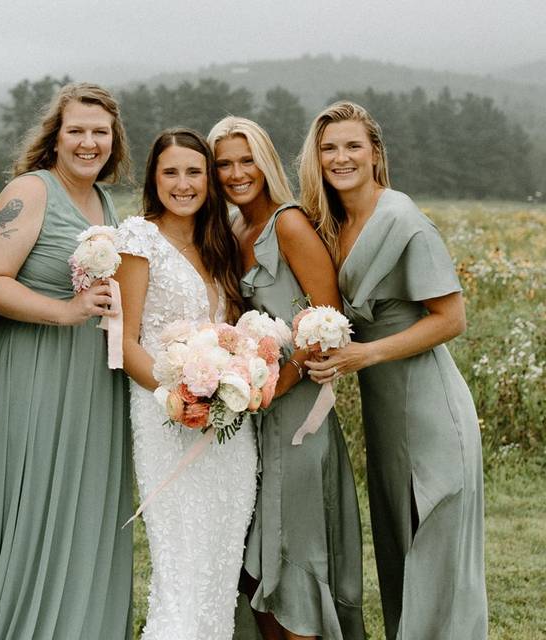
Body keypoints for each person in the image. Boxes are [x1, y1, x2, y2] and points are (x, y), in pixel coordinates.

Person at [300, 101, 488, 640]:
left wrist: (366, 355)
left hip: (429, 408)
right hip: (386, 418)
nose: (341, 157)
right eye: (329, 148)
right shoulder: (332, 223)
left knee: (435, 556)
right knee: (400, 553)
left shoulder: (403, 220)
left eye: (353, 146)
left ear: (376, 153)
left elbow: (451, 318)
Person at [0, 83, 133, 640]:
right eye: (76, 130)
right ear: (55, 137)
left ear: (113, 140)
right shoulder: (31, 191)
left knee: (81, 511)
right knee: (30, 507)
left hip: (92, 376)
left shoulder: (103, 202)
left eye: (99, 132)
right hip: (33, 368)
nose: (88, 142)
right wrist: (63, 310)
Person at [208, 116, 365, 640]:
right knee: (255, 557)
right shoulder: (232, 231)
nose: (235, 173)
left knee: (292, 549)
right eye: (224, 163)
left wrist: (276, 384)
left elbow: (328, 323)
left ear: (266, 161)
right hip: (251, 413)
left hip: (296, 412)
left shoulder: (289, 223)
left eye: (245, 159)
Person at [113, 127, 255, 640]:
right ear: (154, 177)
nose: (183, 183)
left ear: (209, 179)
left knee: (219, 566)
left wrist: (235, 381)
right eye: (170, 172)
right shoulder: (138, 238)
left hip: (228, 427)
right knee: (181, 568)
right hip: (166, 416)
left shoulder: (220, 240)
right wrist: (181, 397)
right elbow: (123, 341)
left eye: (194, 171)